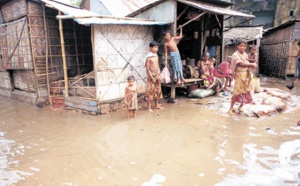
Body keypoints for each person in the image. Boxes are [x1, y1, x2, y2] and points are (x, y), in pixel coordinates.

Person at [228, 40, 258, 115]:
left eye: (244, 46)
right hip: (239, 75)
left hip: (247, 74)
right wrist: (251, 65)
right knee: (237, 92)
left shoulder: (245, 54)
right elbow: (241, 64)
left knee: (246, 91)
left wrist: (249, 70)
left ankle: (241, 106)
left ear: (246, 47)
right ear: (237, 46)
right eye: (240, 45)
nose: (242, 47)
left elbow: (247, 63)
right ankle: (231, 108)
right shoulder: (235, 55)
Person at [145, 41, 163, 111]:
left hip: (157, 75)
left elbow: (158, 66)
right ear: (150, 48)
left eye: (157, 47)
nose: (156, 49)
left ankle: (156, 105)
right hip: (151, 76)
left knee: (157, 90)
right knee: (150, 91)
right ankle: (149, 107)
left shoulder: (156, 56)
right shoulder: (148, 58)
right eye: (155, 47)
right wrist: (151, 77)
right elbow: (147, 69)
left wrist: (159, 73)